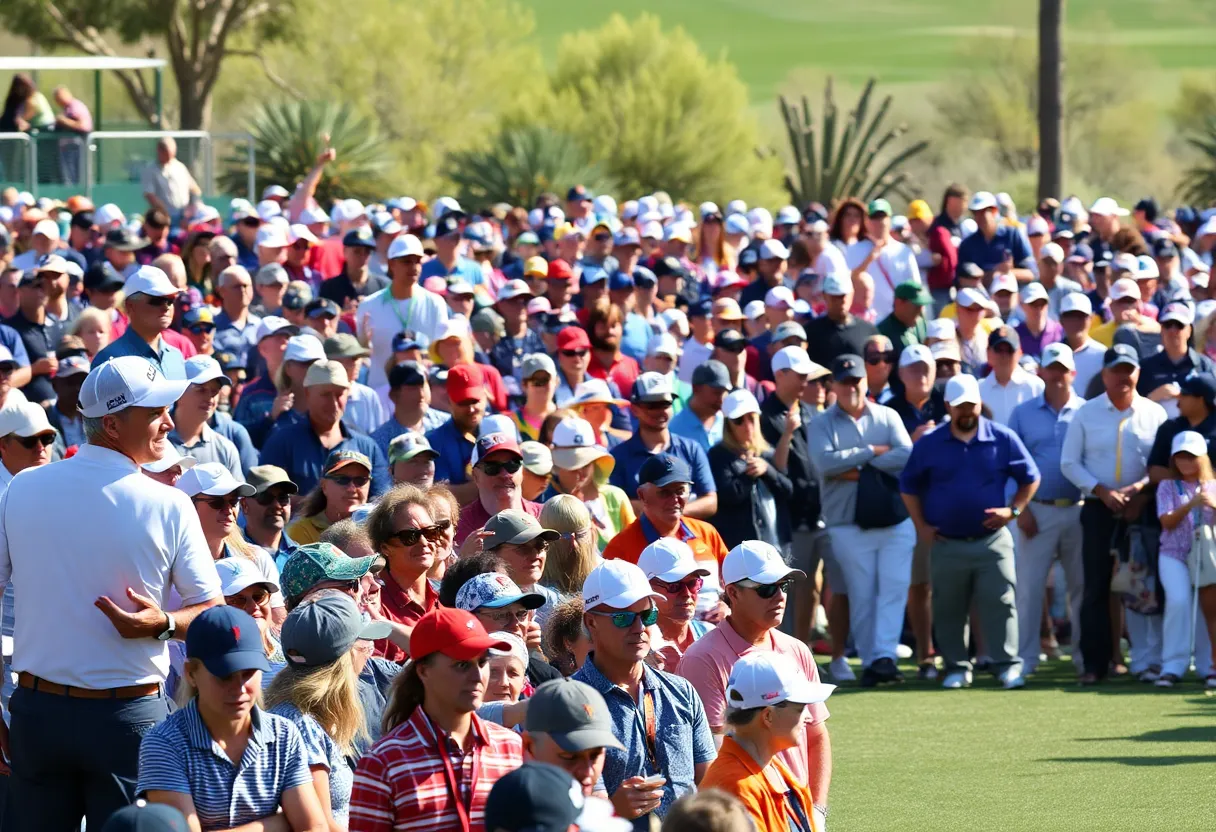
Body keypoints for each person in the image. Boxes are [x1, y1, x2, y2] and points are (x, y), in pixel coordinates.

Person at [0, 356, 221, 828]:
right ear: (113, 425)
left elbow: (210, 613)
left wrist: (162, 623)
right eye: (154, 411)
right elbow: (212, 615)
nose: (167, 421)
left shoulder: (22, 487)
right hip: (124, 718)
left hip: (45, 714)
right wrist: (164, 625)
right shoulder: (171, 504)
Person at [900, 374, 1041, 690]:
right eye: (960, 406)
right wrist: (920, 525)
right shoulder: (930, 443)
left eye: (972, 405)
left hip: (992, 540)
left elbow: (1030, 477)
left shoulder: (1002, 438)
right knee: (948, 607)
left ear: (980, 404)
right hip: (946, 541)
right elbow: (908, 486)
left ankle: (1008, 666)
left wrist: (1013, 510)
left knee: (1001, 602)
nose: (967, 411)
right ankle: (956, 667)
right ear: (948, 405)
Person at [136, 606, 326, 831]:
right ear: (191, 674)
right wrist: (280, 823)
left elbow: (314, 827)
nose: (240, 688)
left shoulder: (284, 734)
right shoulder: (164, 743)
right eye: (224, 675)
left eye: (248, 673)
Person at [677, 541, 831, 809]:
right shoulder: (702, 659)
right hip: (745, 810)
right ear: (733, 593)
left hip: (797, 809)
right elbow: (711, 755)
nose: (780, 596)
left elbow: (817, 737)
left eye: (783, 586)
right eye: (766, 589)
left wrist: (816, 809)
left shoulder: (797, 650)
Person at [348, 608, 523, 831]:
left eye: (482, 663)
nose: (478, 677)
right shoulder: (383, 762)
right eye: (462, 665)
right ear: (423, 671)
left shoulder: (512, 747)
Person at [571, 560, 716, 828]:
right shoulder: (571, 701)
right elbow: (576, 810)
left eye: (647, 615)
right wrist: (614, 809)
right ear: (591, 622)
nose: (639, 627)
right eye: (623, 617)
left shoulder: (681, 691)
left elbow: (709, 781)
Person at [1061, 345, 1168, 684]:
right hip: (1097, 507)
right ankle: (1096, 663)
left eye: (1129, 369)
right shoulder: (1085, 413)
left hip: (1143, 507)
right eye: (1116, 369)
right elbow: (1069, 462)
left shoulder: (1155, 414)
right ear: (1104, 374)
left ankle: (1150, 661)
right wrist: (1102, 491)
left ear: (1137, 373)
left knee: (1145, 585)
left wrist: (1138, 491)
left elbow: (1162, 466)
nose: (1123, 376)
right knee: (1095, 587)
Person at [807, 353, 914, 686]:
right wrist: (872, 452)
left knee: (894, 587)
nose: (851, 386)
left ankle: (884, 657)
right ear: (834, 385)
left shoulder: (887, 414)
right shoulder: (821, 423)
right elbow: (825, 463)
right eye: (844, 381)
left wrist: (856, 470)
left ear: (866, 381)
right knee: (863, 593)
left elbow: (906, 454)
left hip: (893, 519)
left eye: (856, 380)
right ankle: (872, 660)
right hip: (846, 522)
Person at [265, 592, 391, 826]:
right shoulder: (302, 725)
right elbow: (321, 824)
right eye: (364, 644)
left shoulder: (308, 714)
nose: (368, 654)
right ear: (344, 658)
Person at [1007, 343, 1087, 678]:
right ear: (1041, 372)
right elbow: (1009, 465)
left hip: (1079, 510)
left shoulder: (1086, 410)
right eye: (1050, 369)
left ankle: (1084, 659)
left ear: (1073, 373)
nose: (1056, 375)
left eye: (1062, 369)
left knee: (1081, 589)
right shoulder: (1022, 413)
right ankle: (1025, 661)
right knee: (1028, 589)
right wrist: (1018, 509)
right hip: (1036, 512)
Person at [699, 652, 835, 832]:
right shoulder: (735, 786)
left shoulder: (770, 766)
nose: (808, 717)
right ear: (768, 716)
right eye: (800, 709)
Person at [603, 454, 729, 621]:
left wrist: (727, 606)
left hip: (716, 635)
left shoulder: (707, 533)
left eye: (680, 491)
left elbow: (735, 585)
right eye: (664, 492)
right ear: (642, 496)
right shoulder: (620, 548)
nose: (675, 499)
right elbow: (612, 610)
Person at [259, 359, 389, 496]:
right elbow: (265, 497)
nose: (333, 403)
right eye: (325, 395)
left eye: (339, 395)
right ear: (308, 394)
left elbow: (382, 501)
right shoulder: (282, 443)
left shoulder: (366, 447)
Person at [1154, 431, 1216, 688]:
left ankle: (1208, 667)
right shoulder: (1167, 486)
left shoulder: (1213, 487)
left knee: (1208, 611)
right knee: (1179, 602)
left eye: (1190, 457)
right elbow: (1166, 521)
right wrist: (1190, 504)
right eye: (1180, 457)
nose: (1185, 462)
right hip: (1173, 554)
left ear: (1202, 458)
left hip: (1208, 556)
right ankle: (1172, 666)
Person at [610, 372, 717, 519]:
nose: (660, 411)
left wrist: (671, 512)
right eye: (652, 405)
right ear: (635, 409)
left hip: (686, 537)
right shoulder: (619, 456)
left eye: (665, 403)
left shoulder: (691, 449)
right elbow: (615, 504)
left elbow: (711, 501)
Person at [708, 388, 794, 551]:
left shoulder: (767, 452)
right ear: (728, 425)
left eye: (751, 419)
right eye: (739, 420)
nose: (747, 426)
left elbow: (788, 490)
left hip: (777, 542)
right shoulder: (718, 455)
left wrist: (768, 470)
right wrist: (749, 475)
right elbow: (728, 496)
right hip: (742, 547)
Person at [454, 571, 561, 688]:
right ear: (470, 621)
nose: (516, 623)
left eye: (521, 613)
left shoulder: (549, 678)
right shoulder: (453, 680)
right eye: (501, 615)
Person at [522, 678, 624, 797]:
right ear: (529, 746)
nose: (587, 772)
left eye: (595, 756)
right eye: (570, 757)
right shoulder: (506, 812)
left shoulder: (596, 812)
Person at [547, 416, 634, 549]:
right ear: (557, 465)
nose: (580, 470)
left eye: (586, 463)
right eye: (572, 464)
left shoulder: (615, 496)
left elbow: (634, 545)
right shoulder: (545, 501)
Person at [453, 431, 545, 547]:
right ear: (476, 476)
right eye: (492, 467)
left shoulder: (545, 516)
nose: (505, 475)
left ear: (522, 471)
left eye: (512, 465)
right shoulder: (459, 528)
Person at [94, 266, 186, 380]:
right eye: (156, 300)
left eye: (171, 301)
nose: (166, 307)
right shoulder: (108, 361)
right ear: (130, 306)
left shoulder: (175, 356)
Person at [637, 538, 713, 669]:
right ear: (648, 589)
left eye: (692, 583)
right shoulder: (636, 649)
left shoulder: (711, 635)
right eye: (674, 585)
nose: (687, 593)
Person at [168, 355, 243, 479]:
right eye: (200, 389)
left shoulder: (225, 449)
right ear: (178, 391)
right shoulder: (154, 442)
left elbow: (236, 497)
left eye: (215, 391)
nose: (210, 398)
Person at [1138, 302, 1215, 419]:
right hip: (1156, 432)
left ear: (1189, 330)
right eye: (1168, 325)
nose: (1173, 331)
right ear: (1161, 330)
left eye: (1179, 325)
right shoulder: (1146, 367)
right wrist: (1151, 398)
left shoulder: (1205, 366)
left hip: (1196, 432)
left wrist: (1183, 397)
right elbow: (1133, 409)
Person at [426, 364, 488, 502]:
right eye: (463, 403)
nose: (471, 409)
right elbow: (441, 496)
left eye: (475, 401)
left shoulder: (500, 428)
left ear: (485, 395)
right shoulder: (434, 442)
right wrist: (491, 483)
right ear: (449, 401)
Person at [288, 449, 373, 545]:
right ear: (324, 485)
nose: (352, 489)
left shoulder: (381, 527)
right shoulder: (303, 530)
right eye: (342, 479)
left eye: (360, 480)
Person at [802, 274, 879, 369]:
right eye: (835, 297)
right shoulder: (809, 332)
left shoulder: (868, 330)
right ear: (824, 296)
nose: (840, 301)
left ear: (852, 294)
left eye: (843, 296)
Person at [978, 325, 1045, 425]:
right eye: (998, 350)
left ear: (1019, 353)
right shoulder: (978, 389)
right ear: (988, 353)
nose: (1004, 356)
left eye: (1009, 350)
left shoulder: (1036, 386)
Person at [539, 495, 601, 596]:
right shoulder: (534, 587)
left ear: (592, 531)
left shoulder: (608, 576)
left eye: (580, 535)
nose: (574, 545)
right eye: (563, 537)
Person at [242, 464, 299, 570]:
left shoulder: (301, 558)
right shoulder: (231, 553)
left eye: (283, 498)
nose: (277, 505)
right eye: (266, 497)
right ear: (245, 505)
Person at [669, 361, 730, 452]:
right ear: (696, 388)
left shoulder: (729, 424)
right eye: (716, 393)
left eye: (724, 393)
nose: (721, 400)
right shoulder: (675, 429)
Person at [1058, 292, 1106, 397]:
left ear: (1090, 319)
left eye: (1081, 316)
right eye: (1070, 316)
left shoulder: (1102, 354)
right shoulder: (1053, 353)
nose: (1075, 322)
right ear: (1061, 320)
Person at [141, 137, 201, 221]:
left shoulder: (180, 167)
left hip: (185, 216)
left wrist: (192, 207)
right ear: (159, 150)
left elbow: (195, 189)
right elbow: (150, 195)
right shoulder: (151, 170)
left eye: (172, 154)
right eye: (167, 154)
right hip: (165, 218)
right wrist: (165, 213)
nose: (170, 157)